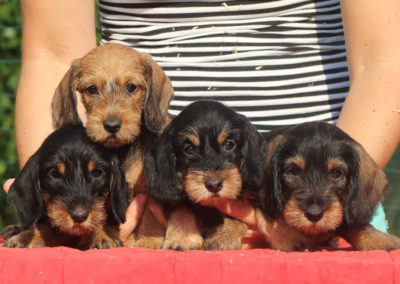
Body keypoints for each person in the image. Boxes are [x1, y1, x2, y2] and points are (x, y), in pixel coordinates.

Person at [4, 0, 400, 246]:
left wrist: (310, 206)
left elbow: (386, 60)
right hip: (130, 209)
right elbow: (52, 54)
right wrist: (55, 203)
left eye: (132, 88)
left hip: (322, 203)